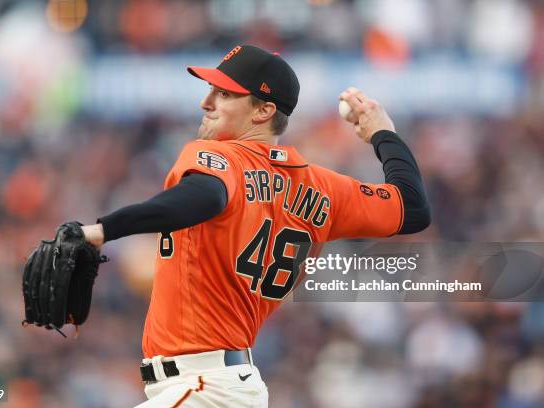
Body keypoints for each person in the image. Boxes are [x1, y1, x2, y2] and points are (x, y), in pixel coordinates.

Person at [80, 45, 430, 407]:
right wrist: (383, 134)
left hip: (207, 388)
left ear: (263, 111)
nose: (206, 102)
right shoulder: (326, 189)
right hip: (223, 386)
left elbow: (206, 196)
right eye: (212, 90)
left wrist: (104, 229)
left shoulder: (220, 155)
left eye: (225, 94)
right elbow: (413, 208)